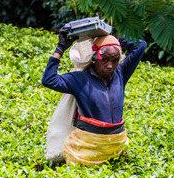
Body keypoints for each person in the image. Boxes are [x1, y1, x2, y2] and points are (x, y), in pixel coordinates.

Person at [42, 27, 147, 165]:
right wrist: (60, 48)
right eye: (105, 59)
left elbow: (141, 45)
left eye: (115, 60)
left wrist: (112, 37)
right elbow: (49, 80)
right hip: (87, 148)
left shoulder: (120, 74)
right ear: (94, 58)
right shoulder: (80, 79)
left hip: (116, 146)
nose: (110, 66)